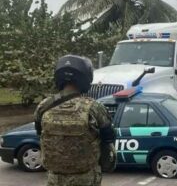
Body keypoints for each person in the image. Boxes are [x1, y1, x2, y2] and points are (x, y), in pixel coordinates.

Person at [34, 55, 116, 186]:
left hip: (54, 179)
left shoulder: (43, 106)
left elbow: (39, 134)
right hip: (86, 178)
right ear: (86, 77)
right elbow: (109, 139)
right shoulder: (94, 107)